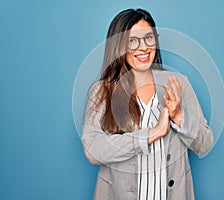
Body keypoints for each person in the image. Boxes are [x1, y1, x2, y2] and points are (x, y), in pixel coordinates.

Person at [81, 8, 214, 200]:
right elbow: (93, 150)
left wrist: (179, 116)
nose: (143, 48)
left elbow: (204, 144)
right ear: (118, 46)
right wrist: (151, 134)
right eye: (132, 40)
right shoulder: (102, 91)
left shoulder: (178, 83)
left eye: (148, 38)